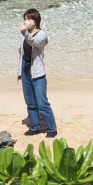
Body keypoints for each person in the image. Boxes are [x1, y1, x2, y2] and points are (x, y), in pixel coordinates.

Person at [18, 8, 57, 138]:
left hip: (37, 73)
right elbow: (21, 54)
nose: (26, 21)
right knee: (30, 102)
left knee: (42, 103)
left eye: (29, 19)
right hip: (25, 70)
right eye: (25, 18)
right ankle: (35, 127)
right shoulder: (25, 35)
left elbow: (34, 42)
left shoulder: (42, 35)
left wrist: (25, 32)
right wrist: (19, 71)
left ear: (35, 21)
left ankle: (52, 128)